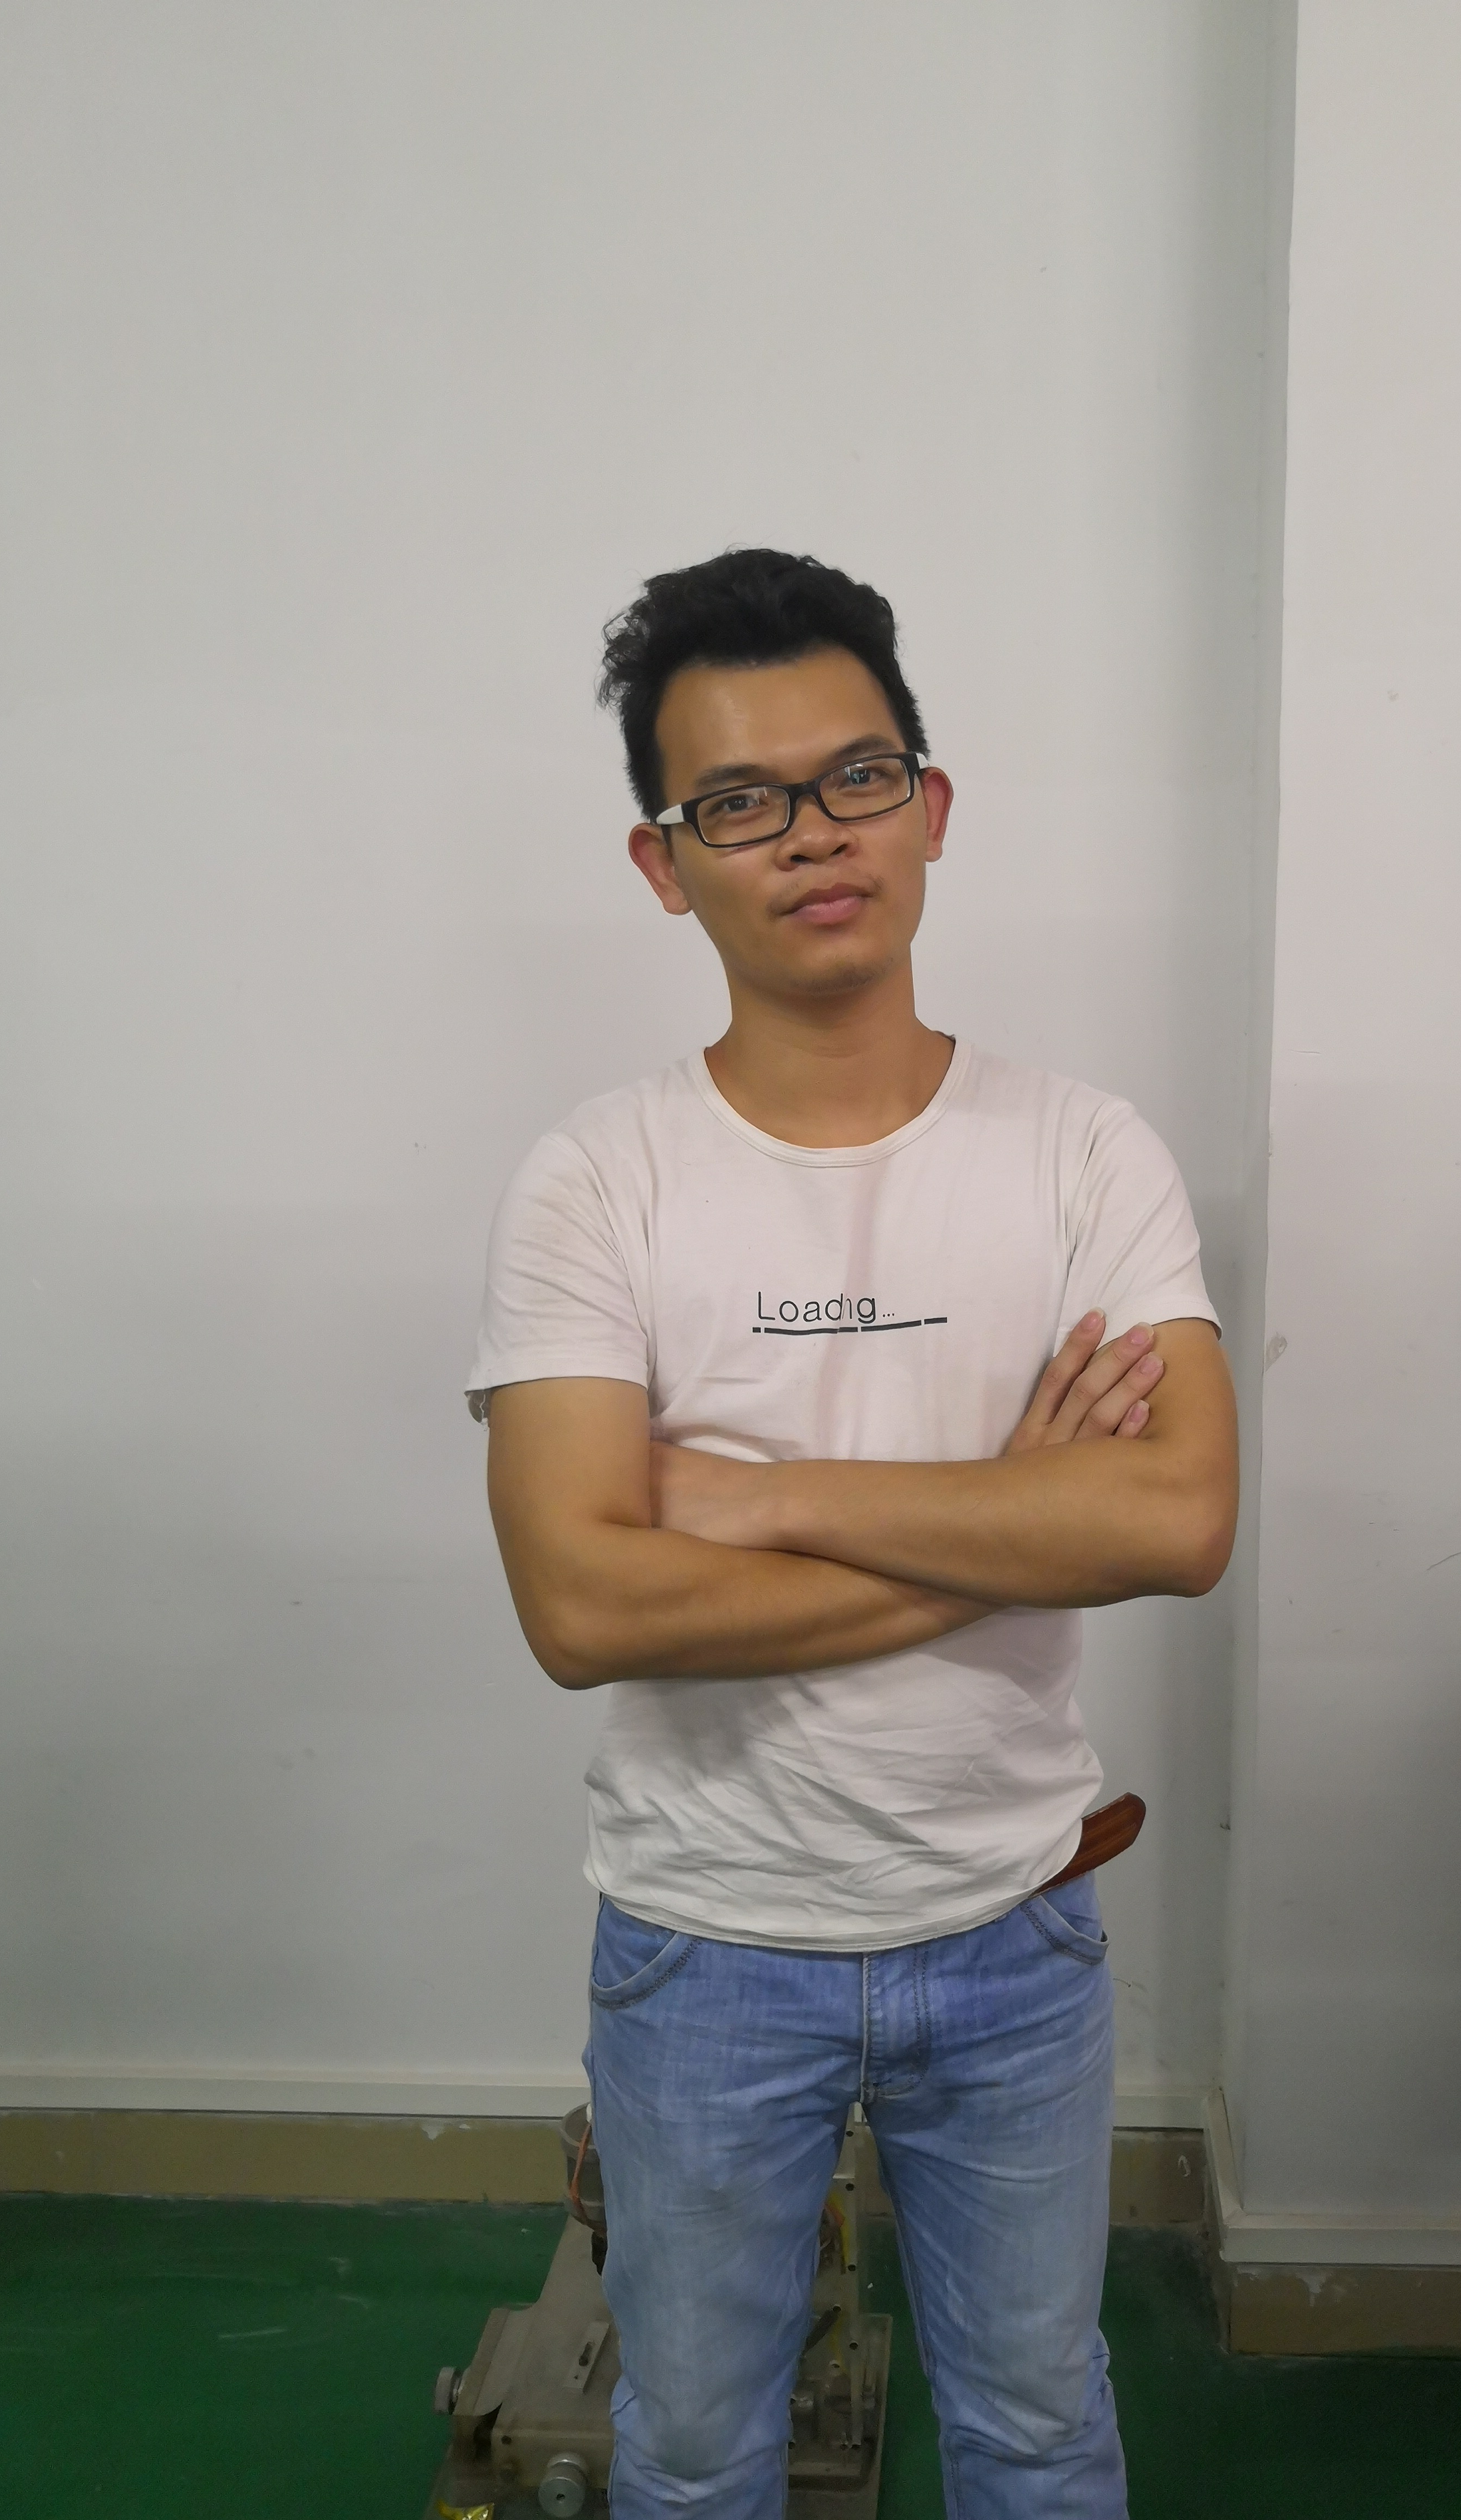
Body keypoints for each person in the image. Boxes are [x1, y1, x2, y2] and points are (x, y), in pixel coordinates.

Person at [467, 547, 1239, 2520]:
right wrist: (1011, 1516)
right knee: (693, 2447)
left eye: (856, 777)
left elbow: (1177, 1515)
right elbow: (582, 1602)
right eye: (738, 801)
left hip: (1015, 1919)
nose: (813, 834)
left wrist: (760, 1495)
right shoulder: (597, 1181)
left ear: (932, 806)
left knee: (1042, 2428)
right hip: (706, 1935)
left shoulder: (1085, 1152)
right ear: (665, 866)